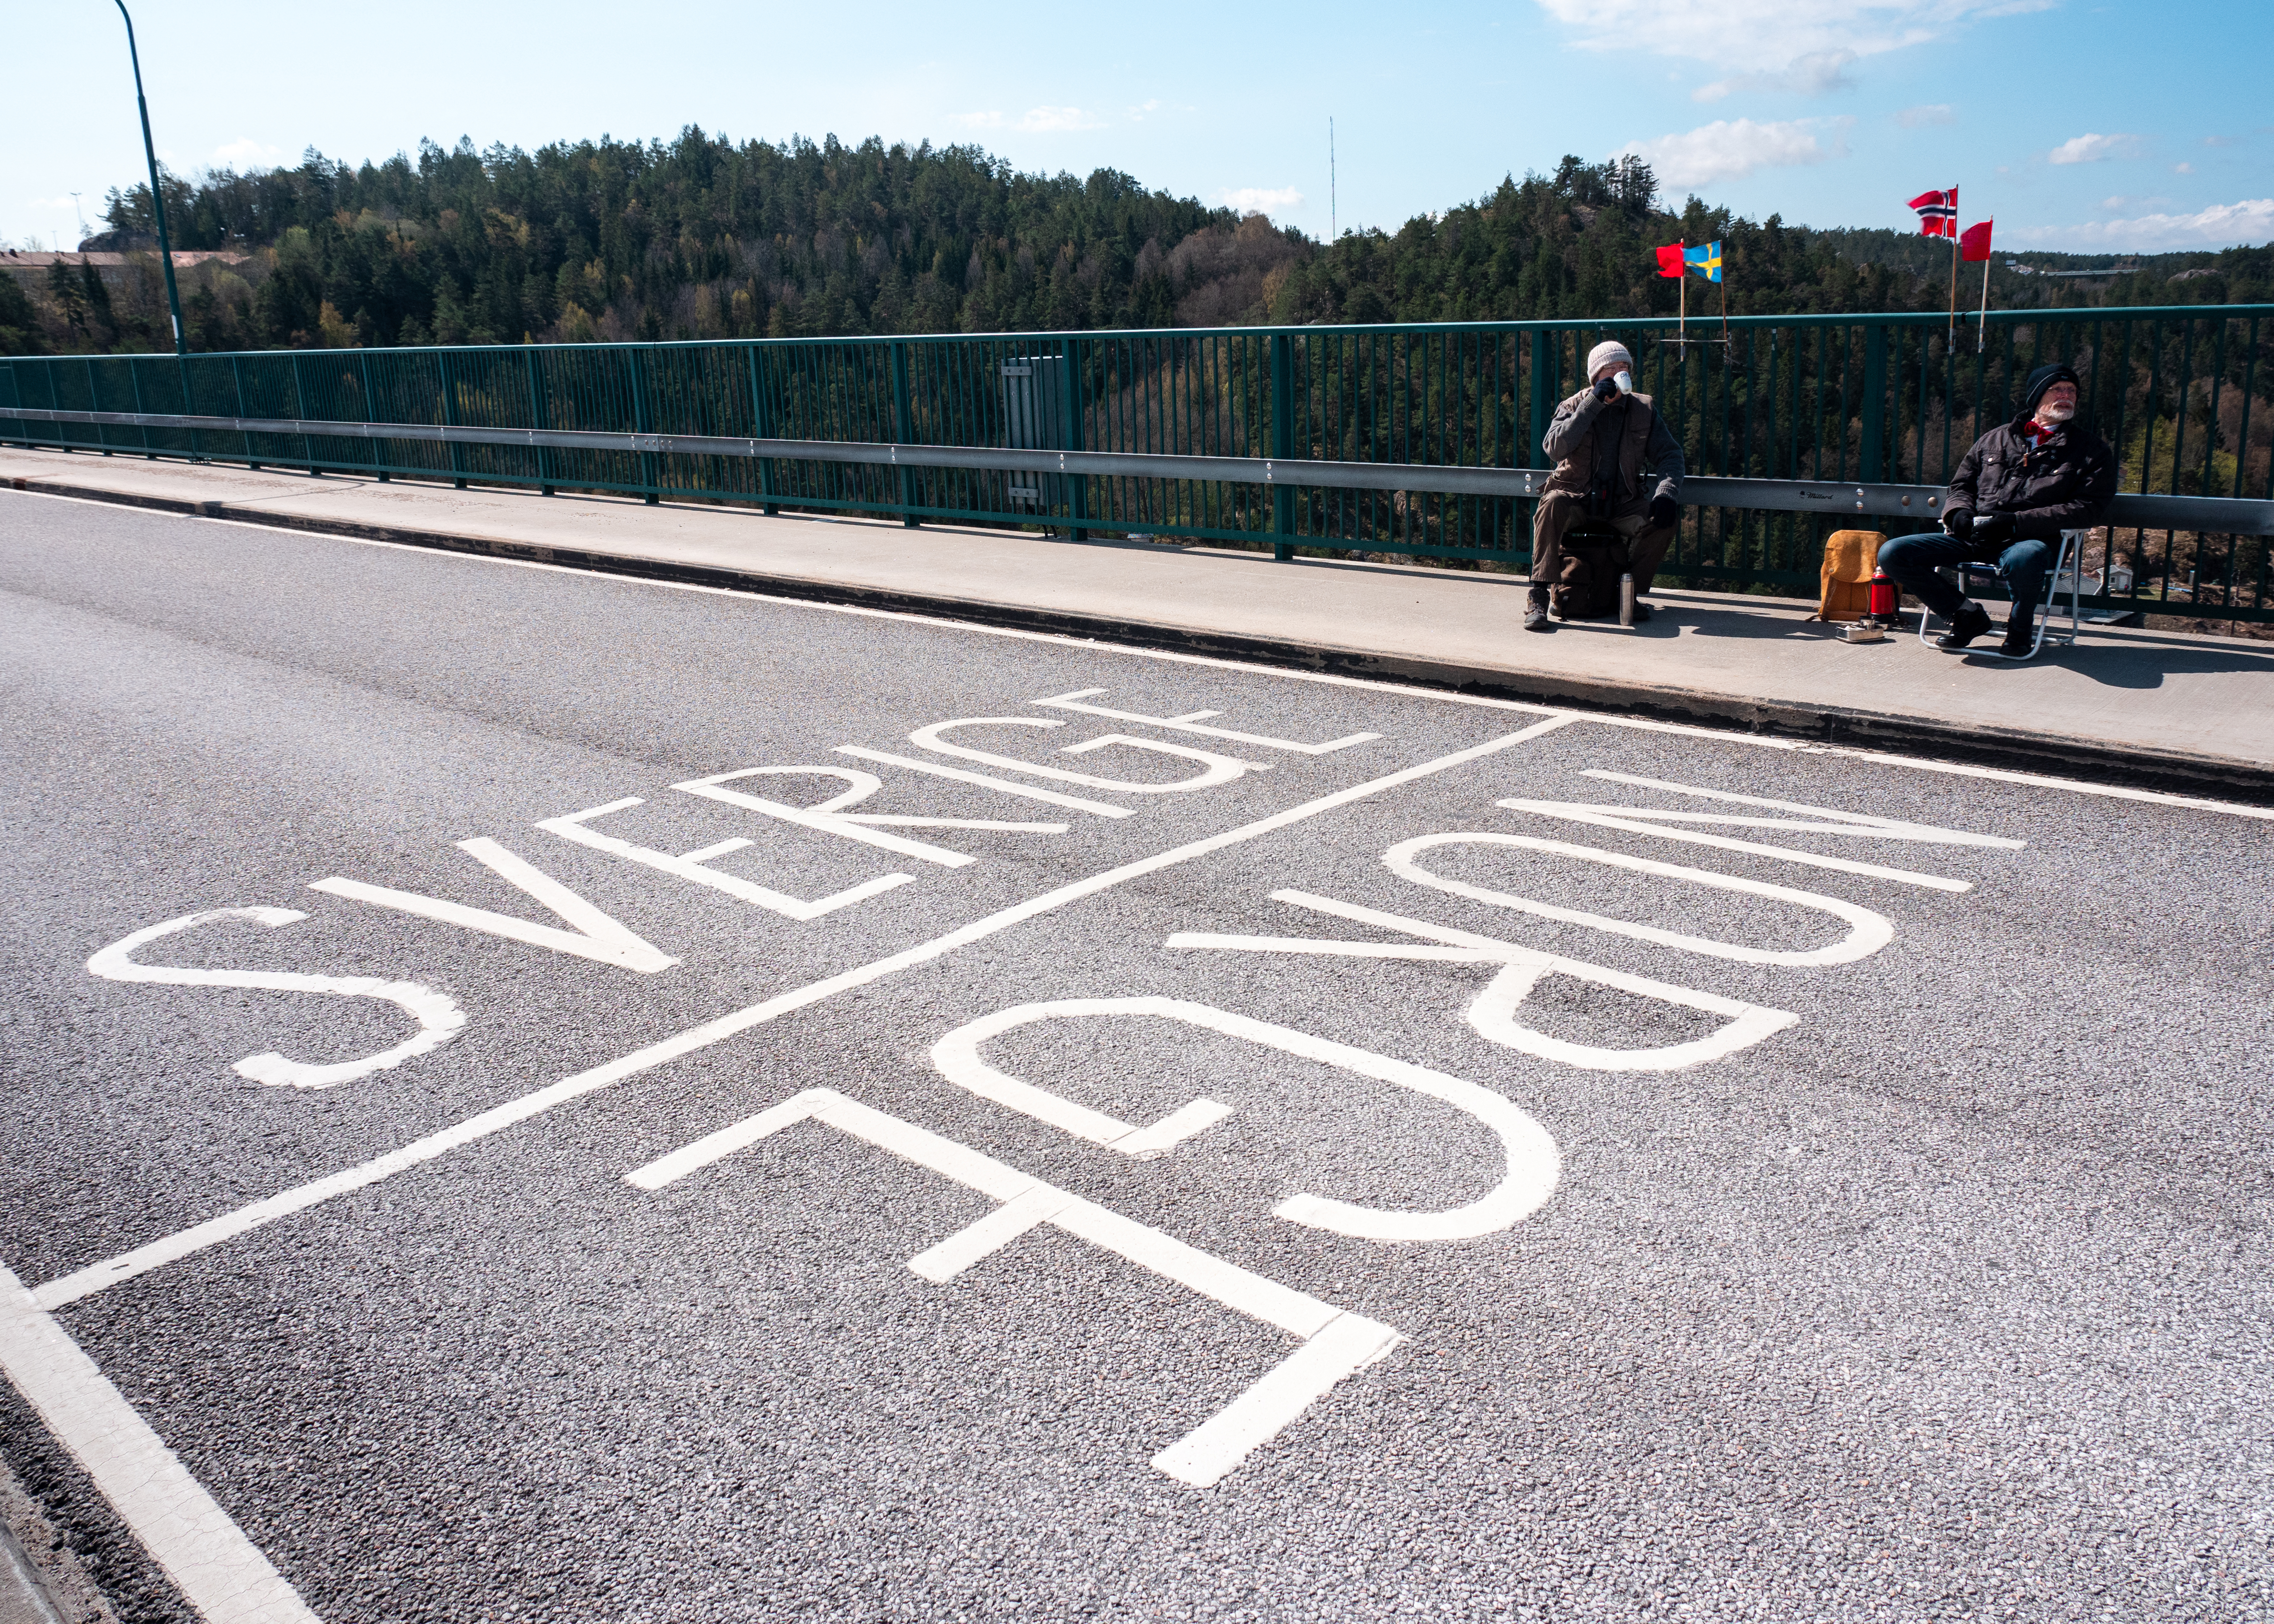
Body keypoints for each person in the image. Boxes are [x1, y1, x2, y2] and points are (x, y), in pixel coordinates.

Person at [1878, 363, 2116, 656]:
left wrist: (2016, 522)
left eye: (2072, 391)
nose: (2066, 396)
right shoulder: (1994, 439)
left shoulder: (2091, 450)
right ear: (2037, 395)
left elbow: (2087, 509)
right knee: (1894, 553)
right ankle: (1965, 616)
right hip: (1976, 536)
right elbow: (1961, 486)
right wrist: (1958, 514)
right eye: (2057, 389)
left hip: (2034, 541)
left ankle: (2020, 631)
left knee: (2024, 557)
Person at [1527, 340, 1685, 631]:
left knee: (1665, 520)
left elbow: (1670, 455)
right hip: (1577, 497)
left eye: (1624, 368)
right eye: (1610, 369)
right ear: (1595, 376)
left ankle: (1627, 594)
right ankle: (1537, 595)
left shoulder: (1643, 409)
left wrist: (1667, 493)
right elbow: (1554, 448)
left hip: (1622, 502)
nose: (1618, 373)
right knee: (1551, 504)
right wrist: (1592, 405)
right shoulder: (1573, 405)